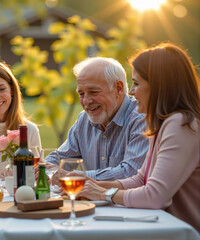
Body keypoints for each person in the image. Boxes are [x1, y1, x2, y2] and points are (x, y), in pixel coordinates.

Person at [79, 43, 200, 232]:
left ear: (159, 85)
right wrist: (88, 185)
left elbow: (154, 196)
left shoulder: (181, 124)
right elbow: (140, 180)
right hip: (161, 227)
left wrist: (104, 194)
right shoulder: (162, 123)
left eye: (136, 83)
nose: (132, 92)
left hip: (182, 232)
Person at [46, 57, 148, 181]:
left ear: (118, 88)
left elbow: (130, 172)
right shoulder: (84, 120)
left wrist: (74, 177)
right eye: (81, 94)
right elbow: (59, 157)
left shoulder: (141, 119)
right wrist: (44, 170)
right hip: (91, 200)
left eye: (94, 92)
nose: (86, 101)